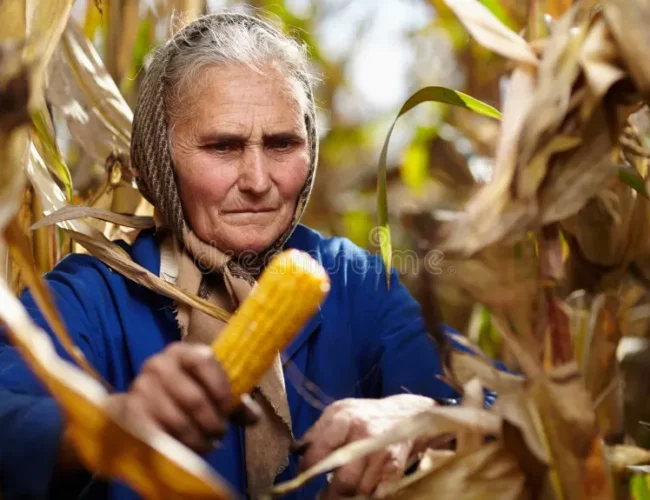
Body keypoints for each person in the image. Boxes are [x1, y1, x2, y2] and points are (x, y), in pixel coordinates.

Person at [0, 12, 461, 500]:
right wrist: (107, 425)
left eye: (283, 144)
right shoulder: (91, 295)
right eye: (224, 146)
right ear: (158, 158)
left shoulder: (357, 284)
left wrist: (420, 418)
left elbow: (506, 403)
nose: (259, 181)